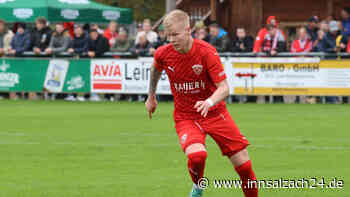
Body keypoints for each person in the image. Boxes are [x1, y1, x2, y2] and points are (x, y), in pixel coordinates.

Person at [145, 10, 258, 197]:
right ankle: (198, 186)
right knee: (197, 156)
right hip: (186, 116)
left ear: (188, 30)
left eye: (175, 35)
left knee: (244, 165)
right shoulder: (163, 54)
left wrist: (209, 101)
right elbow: (155, 69)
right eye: (168, 35)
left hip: (215, 113)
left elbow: (224, 88)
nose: (171, 40)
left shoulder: (206, 52)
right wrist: (151, 96)